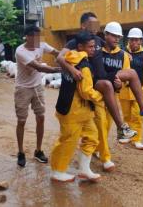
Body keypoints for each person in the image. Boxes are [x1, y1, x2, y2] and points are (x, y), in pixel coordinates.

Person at [57, 13, 143, 141]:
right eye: (91, 24)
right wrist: (72, 70)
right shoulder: (76, 41)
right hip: (93, 79)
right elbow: (59, 58)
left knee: (132, 73)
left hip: (104, 75)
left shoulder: (98, 40)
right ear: (83, 26)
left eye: (96, 24)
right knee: (107, 86)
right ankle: (121, 128)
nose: (95, 27)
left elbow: (112, 44)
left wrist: (126, 54)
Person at [51, 31, 102, 182]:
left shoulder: (69, 60)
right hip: (73, 112)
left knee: (92, 137)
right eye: (90, 46)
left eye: (94, 46)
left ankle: (84, 169)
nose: (94, 49)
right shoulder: (84, 66)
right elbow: (86, 92)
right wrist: (101, 96)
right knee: (67, 141)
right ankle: (58, 171)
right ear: (80, 47)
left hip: (81, 112)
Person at [14, 25, 61, 167]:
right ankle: (21, 152)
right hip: (22, 88)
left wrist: (64, 57)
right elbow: (39, 67)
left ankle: (38, 150)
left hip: (37, 87)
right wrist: (60, 69)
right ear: (27, 37)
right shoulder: (20, 51)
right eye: (34, 37)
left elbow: (56, 52)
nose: (37, 40)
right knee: (21, 121)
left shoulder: (41, 44)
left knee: (40, 118)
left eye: (38, 37)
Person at [119, 28, 143, 150]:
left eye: (136, 40)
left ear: (141, 41)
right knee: (126, 115)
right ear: (128, 40)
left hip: (139, 90)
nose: (133, 42)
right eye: (131, 40)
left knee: (138, 116)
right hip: (124, 91)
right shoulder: (122, 53)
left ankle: (137, 139)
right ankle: (127, 135)